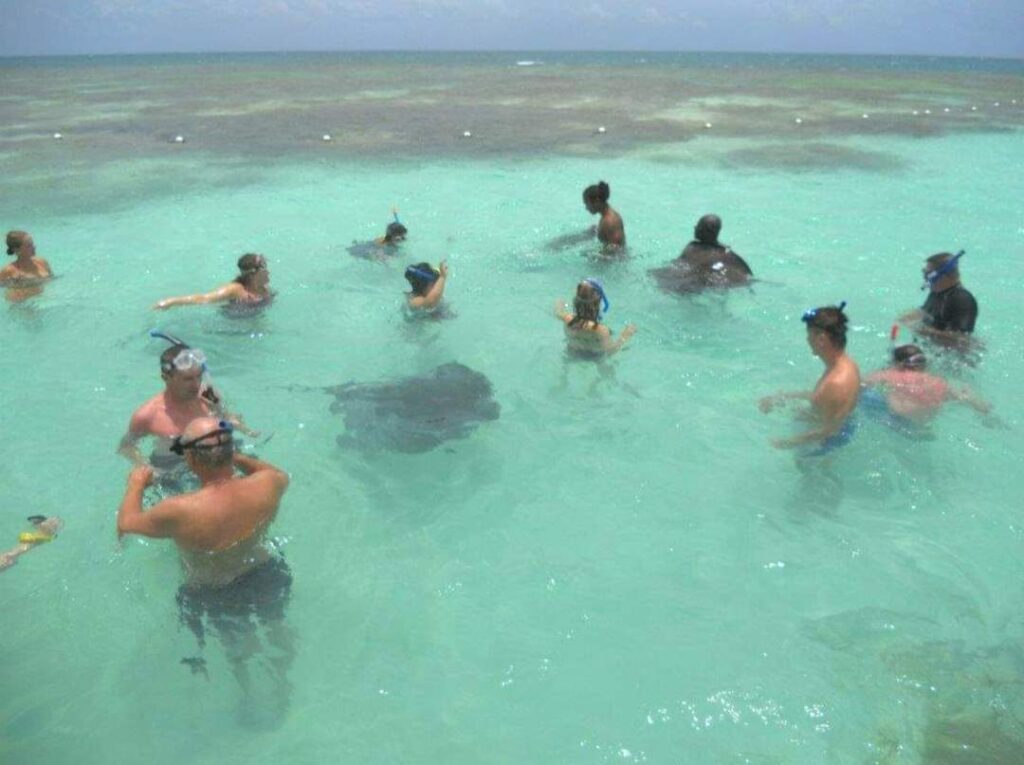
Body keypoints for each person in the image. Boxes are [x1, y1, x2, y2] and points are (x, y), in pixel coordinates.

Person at [116, 417, 293, 719]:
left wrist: (135, 484)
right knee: (277, 628)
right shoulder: (268, 484)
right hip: (265, 572)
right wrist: (232, 455)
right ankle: (284, 686)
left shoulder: (180, 510)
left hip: (213, 590)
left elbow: (127, 524)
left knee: (238, 650)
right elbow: (277, 473)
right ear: (229, 451)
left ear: (190, 458)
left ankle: (250, 698)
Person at [759, 304, 861, 453]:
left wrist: (787, 443)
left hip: (823, 448)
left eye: (809, 335)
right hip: (834, 430)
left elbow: (830, 431)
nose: (807, 340)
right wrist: (784, 397)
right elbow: (823, 398)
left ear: (821, 339)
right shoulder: (846, 365)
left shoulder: (836, 383)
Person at [119, 341, 228, 471]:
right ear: (166, 378)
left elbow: (226, 417)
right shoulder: (147, 415)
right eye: (187, 379)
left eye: (198, 376)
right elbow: (126, 447)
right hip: (172, 465)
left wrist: (240, 426)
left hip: (213, 454)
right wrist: (146, 467)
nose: (196, 384)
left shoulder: (208, 394)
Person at [861, 343, 992, 431]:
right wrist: (984, 409)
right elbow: (967, 398)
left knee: (867, 397)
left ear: (898, 364)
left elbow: (859, 384)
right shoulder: (939, 382)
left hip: (897, 424)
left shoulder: (890, 375)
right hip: (923, 428)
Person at [898, 251, 977, 347]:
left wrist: (924, 331)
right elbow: (927, 312)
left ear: (941, 275)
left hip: (952, 357)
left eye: (927, 273)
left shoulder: (962, 299)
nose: (924, 277)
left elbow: (963, 340)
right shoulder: (937, 292)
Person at [154, 253, 272, 310]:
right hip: (231, 328)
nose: (268, 272)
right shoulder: (234, 289)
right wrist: (171, 301)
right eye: (264, 269)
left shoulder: (263, 288)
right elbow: (204, 298)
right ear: (253, 273)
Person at [554, 279, 636, 358]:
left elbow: (557, 312)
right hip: (595, 357)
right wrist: (625, 335)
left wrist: (560, 302)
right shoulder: (601, 330)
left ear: (576, 302)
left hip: (574, 353)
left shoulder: (567, 319)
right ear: (598, 304)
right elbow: (611, 351)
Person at [2, 230, 53, 302]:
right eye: (29, 245)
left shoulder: (42, 262)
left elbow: (52, 280)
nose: (34, 247)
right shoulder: (9, 270)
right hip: (19, 303)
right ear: (17, 250)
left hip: (40, 300)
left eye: (32, 244)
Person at [582, 181, 625, 249]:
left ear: (597, 201)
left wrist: (595, 256)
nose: (586, 208)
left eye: (587, 204)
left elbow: (617, 250)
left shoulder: (610, 221)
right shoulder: (605, 217)